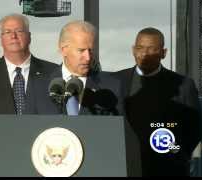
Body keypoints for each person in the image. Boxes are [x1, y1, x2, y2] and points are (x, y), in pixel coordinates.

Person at [34, 20, 142, 176]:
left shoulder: (112, 87)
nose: (87, 57)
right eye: (81, 50)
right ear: (63, 49)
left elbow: (123, 139)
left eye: (91, 50)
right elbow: (28, 133)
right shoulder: (38, 85)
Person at [0, 13, 58, 176]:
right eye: (7, 32)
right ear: (1, 39)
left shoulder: (53, 73)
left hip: (44, 167)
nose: (13, 36)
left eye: (19, 31)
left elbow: (61, 120)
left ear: (29, 36)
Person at [113, 27, 202, 176]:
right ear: (133, 50)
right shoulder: (116, 81)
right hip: (124, 168)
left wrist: (175, 154)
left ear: (163, 53)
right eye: (140, 48)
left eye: (152, 49)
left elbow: (194, 131)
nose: (144, 54)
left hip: (168, 169)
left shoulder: (183, 85)